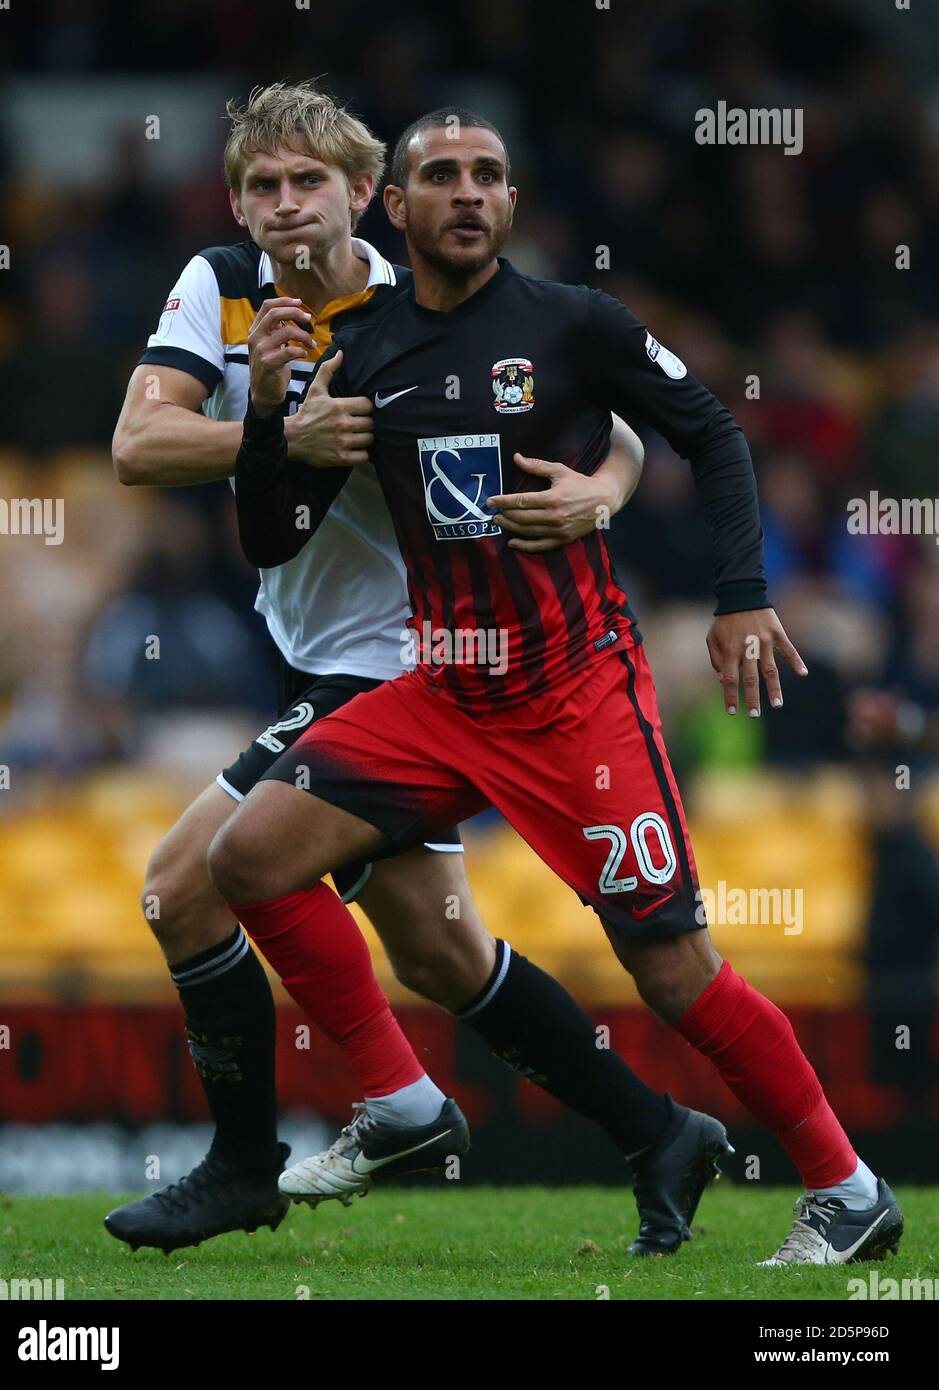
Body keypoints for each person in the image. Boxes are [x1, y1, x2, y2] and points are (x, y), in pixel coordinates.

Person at [217, 107, 904, 1266]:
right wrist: (272, 421)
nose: (468, 193)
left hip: (576, 697)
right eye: (441, 175)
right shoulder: (363, 345)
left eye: (489, 174)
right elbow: (271, 538)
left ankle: (844, 1185)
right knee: (245, 859)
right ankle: (398, 1100)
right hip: (439, 695)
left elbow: (712, 435)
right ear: (398, 207)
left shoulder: (575, 323)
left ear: (512, 203)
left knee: (672, 969)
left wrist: (739, 592)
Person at [104, 81, 729, 1257]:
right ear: (237, 205)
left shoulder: (423, 293)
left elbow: (626, 414)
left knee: (182, 884)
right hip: (313, 651)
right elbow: (137, 445)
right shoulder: (221, 287)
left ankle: (264, 1158)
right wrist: (275, 433)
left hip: (410, 660)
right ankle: (656, 1130)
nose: (284, 207)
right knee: (441, 950)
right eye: (260, 187)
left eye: (308, 183)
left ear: (362, 196)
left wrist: (600, 491)